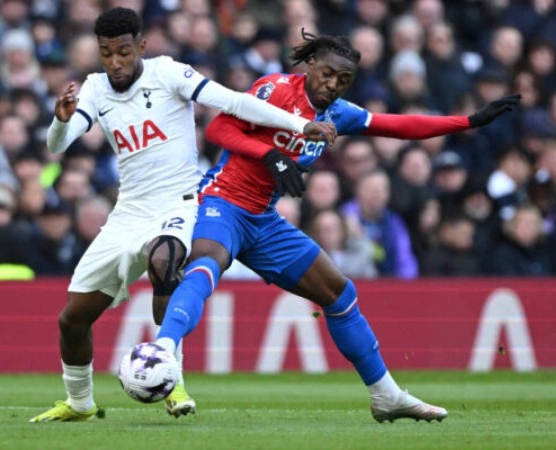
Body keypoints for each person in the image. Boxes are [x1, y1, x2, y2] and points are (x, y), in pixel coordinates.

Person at [153, 30, 520, 423]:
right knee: (206, 263)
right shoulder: (274, 89)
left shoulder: (338, 114)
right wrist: (271, 156)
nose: (332, 84)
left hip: (263, 220)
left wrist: (467, 121)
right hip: (222, 201)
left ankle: (387, 396)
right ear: (310, 64)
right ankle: (161, 353)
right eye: (327, 74)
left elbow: (398, 125)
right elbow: (219, 129)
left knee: (340, 293)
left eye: (343, 80)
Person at [29, 8, 336, 423]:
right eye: (106, 54)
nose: (115, 63)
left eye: (122, 52)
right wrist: (59, 120)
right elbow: (58, 145)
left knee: (165, 261)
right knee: (73, 320)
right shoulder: (95, 89)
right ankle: (80, 403)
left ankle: (172, 381)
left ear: (141, 46)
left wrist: (299, 127)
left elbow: (234, 102)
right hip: (127, 213)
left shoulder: (169, 73)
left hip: (179, 202)